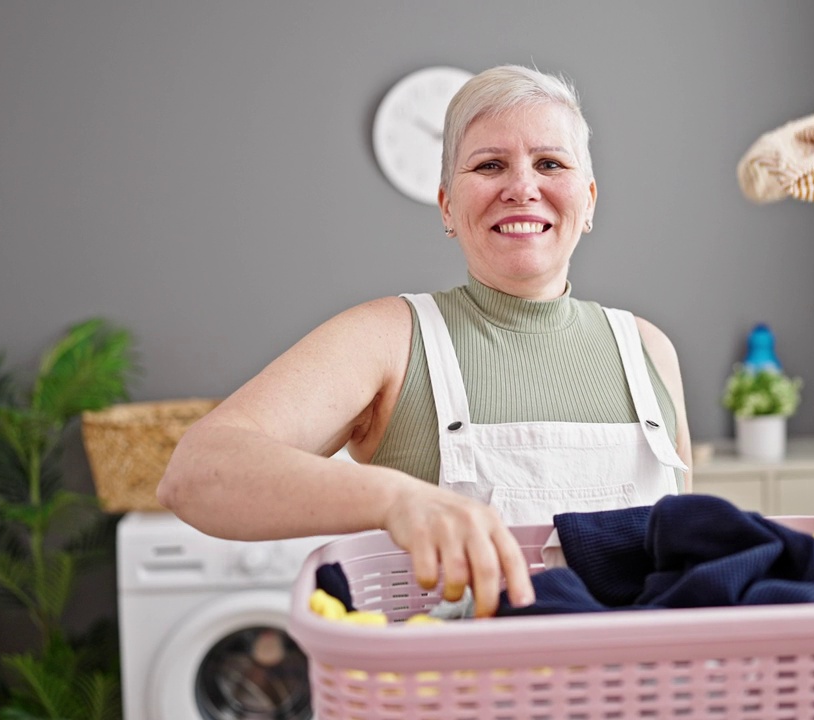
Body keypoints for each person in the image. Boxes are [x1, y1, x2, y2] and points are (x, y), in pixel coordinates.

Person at [158, 65, 693, 618]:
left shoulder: (649, 350)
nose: (522, 188)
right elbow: (195, 473)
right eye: (489, 165)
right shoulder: (389, 338)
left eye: (550, 163)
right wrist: (396, 500)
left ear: (589, 200)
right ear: (446, 207)